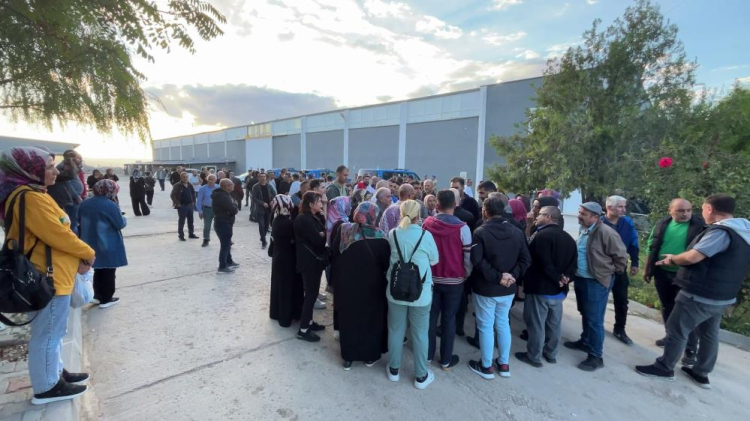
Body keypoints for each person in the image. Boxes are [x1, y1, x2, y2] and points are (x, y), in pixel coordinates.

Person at [0, 147, 95, 404]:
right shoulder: (31, 198)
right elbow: (58, 234)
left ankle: (54, 371)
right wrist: (88, 252)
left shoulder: (33, 193)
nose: (56, 172)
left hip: (52, 272)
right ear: (30, 171)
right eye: (49, 167)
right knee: (49, 333)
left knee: (53, 330)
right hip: (47, 276)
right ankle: (47, 387)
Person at [636, 194, 749, 389]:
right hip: (723, 295)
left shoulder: (721, 232)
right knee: (709, 334)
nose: (699, 212)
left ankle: (664, 368)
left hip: (701, 293)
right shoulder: (743, 231)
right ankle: (701, 373)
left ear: (709, 209)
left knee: (677, 329)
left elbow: (693, 257)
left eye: (702, 208)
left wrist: (673, 259)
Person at [467, 195, 531, 380]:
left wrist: (501, 277)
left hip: (487, 287)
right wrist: (510, 276)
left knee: (486, 326)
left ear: (485, 211)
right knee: (502, 324)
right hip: (507, 288)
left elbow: (477, 261)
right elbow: (525, 259)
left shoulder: (480, 232)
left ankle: (486, 366)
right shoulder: (517, 231)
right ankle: (503, 364)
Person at [564, 202, 628, 372]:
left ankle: (596, 356)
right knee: (585, 313)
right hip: (582, 278)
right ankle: (585, 341)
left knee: (594, 320)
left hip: (595, 281)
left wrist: (606, 273)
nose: (579, 216)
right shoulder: (585, 229)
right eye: (579, 212)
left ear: (595, 217)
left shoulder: (606, 232)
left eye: (583, 214)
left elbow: (621, 258)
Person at [329, 202, 390, 370]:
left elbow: (334, 254)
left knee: (349, 318)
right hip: (372, 287)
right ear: (373, 215)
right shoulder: (381, 237)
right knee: (370, 320)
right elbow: (386, 265)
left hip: (346, 285)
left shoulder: (344, 230)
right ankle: (369, 356)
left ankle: (348, 357)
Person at [385, 200, 439, 390]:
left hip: (395, 291)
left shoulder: (393, 234)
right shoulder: (426, 235)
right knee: (420, 334)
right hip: (421, 294)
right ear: (419, 215)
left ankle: (394, 370)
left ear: (401, 214)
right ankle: (421, 376)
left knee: (395, 330)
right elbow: (434, 260)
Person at [515, 206, 576, 368]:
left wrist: (556, 278)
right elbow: (573, 264)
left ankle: (534, 356)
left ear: (548, 217)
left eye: (539, 214)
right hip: (558, 291)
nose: (535, 216)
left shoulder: (541, 236)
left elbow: (543, 263)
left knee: (536, 324)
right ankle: (551, 353)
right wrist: (566, 278)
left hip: (540, 288)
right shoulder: (568, 238)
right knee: (554, 324)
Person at [643, 199, 704, 351]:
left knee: (686, 312)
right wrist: (648, 269)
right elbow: (651, 247)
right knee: (667, 306)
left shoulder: (700, 226)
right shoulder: (662, 224)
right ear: (670, 210)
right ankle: (670, 336)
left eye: (689, 210)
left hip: (686, 275)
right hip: (662, 273)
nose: (686, 214)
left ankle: (690, 349)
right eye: (680, 211)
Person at [423, 190, 472, 371]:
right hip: (454, 280)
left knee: (430, 318)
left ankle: (427, 356)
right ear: (455, 205)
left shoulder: (427, 224)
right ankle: (445, 360)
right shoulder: (463, 228)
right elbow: (467, 257)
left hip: (431, 279)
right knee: (449, 319)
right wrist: (466, 273)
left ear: (437, 205)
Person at [78, 179, 127, 308]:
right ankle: (107, 298)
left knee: (98, 268)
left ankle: (98, 295)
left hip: (89, 241)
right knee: (109, 270)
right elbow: (120, 223)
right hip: (107, 242)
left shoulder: (85, 203)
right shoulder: (110, 205)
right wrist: (124, 218)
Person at [600, 195, 640, 345]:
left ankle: (620, 329)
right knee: (599, 299)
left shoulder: (627, 223)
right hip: (601, 268)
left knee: (622, 299)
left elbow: (633, 242)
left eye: (624, 206)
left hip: (620, 267)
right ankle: (595, 327)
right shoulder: (599, 222)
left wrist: (635, 262)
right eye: (620, 207)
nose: (624, 210)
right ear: (609, 207)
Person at [294, 192, 328, 342]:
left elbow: (323, 232)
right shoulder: (303, 219)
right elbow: (318, 241)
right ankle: (303, 330)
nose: (321, 204)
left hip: (314, 261)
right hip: (309, 263)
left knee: (312, 294)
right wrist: (321, 235)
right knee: (311, 296)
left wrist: (322, 234)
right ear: (311, 204)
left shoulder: (313, 217)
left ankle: (309, 322)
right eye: (319, 201)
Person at [269, 195, 304, 327]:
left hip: (279, 257)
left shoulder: (276, 219)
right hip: (287, 259)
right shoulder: (287, 223)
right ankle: (285, 318)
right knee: (286, 288)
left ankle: (276, 313)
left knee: (279, 286)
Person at [46, 150, 83, 234]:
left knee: (73, 222)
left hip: (72, 198)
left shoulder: (71, 166)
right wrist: (76, 196)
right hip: (71, 199)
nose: (79, 160)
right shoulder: (63, 167)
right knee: (71, 223)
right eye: (77, 158)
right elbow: (68, 181)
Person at [212, 179, 240, 273]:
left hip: (226, 222)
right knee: (225, 245)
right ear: (226, 186)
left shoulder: (225, 194)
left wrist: (234, 204)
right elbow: (233, 210)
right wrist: (235, 204)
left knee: (227, 244)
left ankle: (229, 261)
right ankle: (222, 266)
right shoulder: (222, 196)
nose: (233, 185)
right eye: (231, 184)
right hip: (223, 223)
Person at [252, 172, 277, 249]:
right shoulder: (255, 187)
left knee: (266, 225)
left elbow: (275, 195)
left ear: (266, 178)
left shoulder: (269, 186)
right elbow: (254, 198)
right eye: (261, 177)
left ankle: (263, 236)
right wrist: (262, 203)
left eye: (264, 177)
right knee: (261, 225)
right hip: (260, 209)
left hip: (269, 209)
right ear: (258, 178)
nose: (263, 178)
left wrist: (272, 201)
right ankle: (264, 241)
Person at [170, 172, 198, 241]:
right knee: (182, 221)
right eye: (184, 177)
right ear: (181, 178)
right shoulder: (177, 185)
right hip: (182, 206)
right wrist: (177, 203)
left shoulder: (190, 184)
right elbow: (172, 195)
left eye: (186, 177)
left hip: (190, 206)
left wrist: (194, 201)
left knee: (191, 221)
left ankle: (191, 234)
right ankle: (181, 235)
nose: (185, 178)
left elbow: (193, 193)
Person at [196, 174, 220, 247]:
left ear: (215, 180)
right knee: (207, 226)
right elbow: (199, 201)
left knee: (219, 226)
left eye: (212, 179)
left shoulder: (218, 187)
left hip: (217, 209)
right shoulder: (203, 188)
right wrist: (200, 211)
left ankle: (225, 239)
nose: (210, 181)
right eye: (209, 179)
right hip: (207, 209)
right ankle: (206, 239)